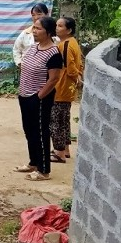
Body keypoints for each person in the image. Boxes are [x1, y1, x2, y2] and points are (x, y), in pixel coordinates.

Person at [14, 16, 62, 181]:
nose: (34, 31)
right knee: (29, 130)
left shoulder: (54, 53)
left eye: (38, 29)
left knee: (40, 132)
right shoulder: (33, 47)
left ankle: (43, 170)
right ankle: (33, 162)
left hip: (39, 98)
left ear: (48, 32)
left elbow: (54, 79)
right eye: (34, 28)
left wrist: (39, 96)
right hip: (25, 95)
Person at [51, 17, 83, 163]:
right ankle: (65, 149)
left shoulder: (65, 45)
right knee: (64, 119)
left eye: (60, 26)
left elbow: (70, 68)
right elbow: (79, 63)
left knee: (56, 119)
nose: (57, 28)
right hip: (68, 87)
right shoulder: (73, 43)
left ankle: (59, 152)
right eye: (56, 25)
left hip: (61, 86)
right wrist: (78, 77)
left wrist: (76, 77)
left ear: (68, 30)